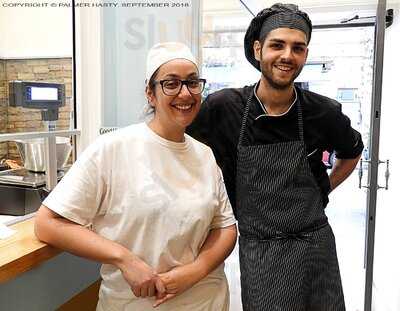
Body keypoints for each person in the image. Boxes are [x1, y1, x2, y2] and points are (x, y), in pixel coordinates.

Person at [35, 42, 237, 311]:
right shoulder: (112, 149)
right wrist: (124, 259)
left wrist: (194, 271)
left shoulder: (204, 155)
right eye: (171, 83)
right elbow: (47, 224)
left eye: (192, 82)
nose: (185, 93)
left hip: (205, 299)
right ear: (150, 94)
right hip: (135, 303)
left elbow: (224, 226)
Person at [187, 3, 363, 311]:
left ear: (305, 55)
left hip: (314, 246)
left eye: (298, 48)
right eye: (277, 45)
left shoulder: (322, 111)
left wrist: (325, 188)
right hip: (260, 249)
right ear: (258, 49)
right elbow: (180, 144)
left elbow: (352, 152)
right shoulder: (224, 107)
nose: (287, 56)